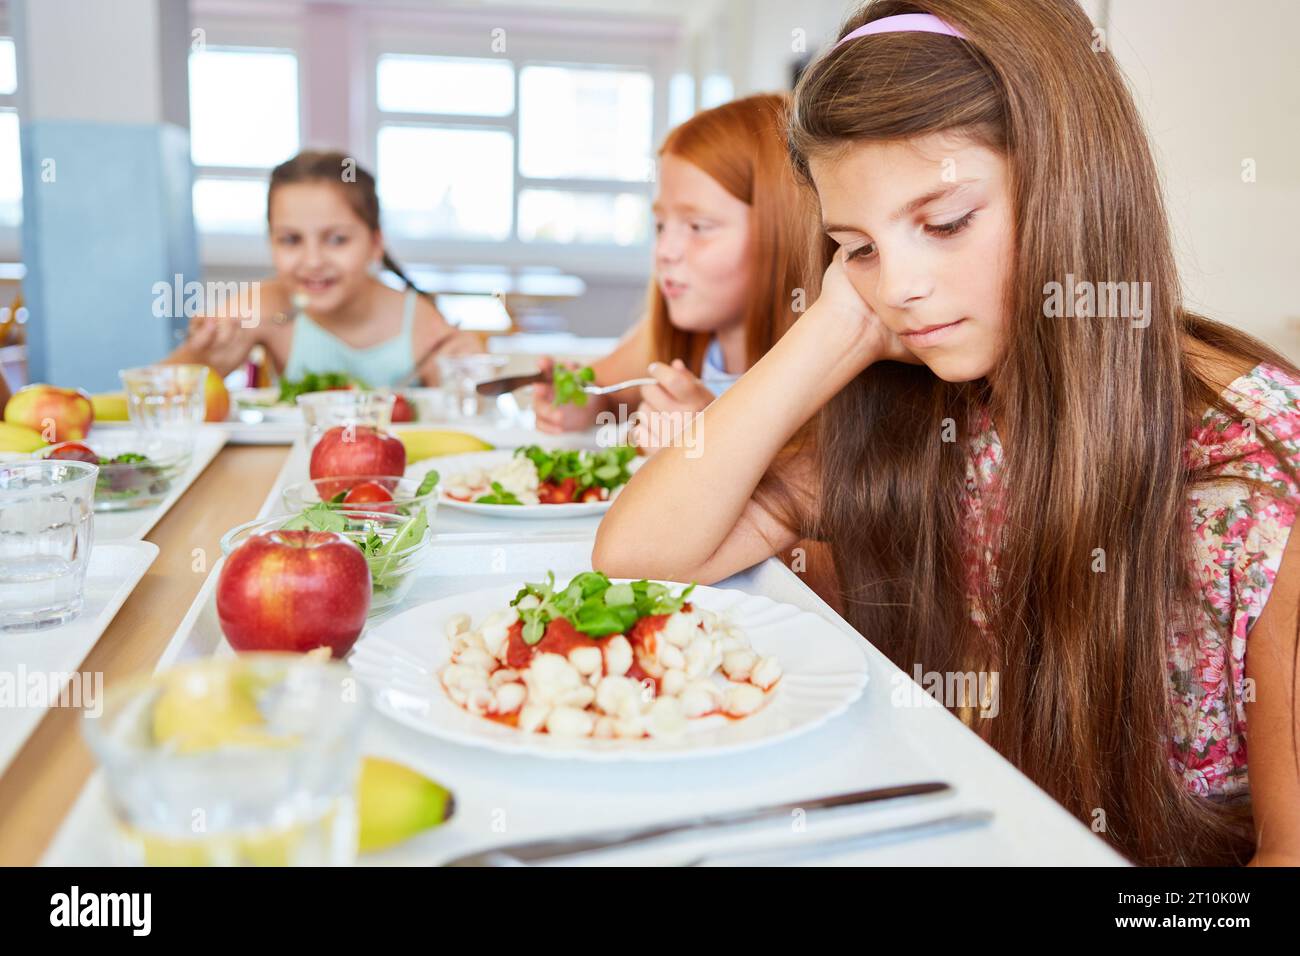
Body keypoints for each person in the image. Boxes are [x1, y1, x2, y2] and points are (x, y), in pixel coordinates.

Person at [595, 1, 1300, 866]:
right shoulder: (938, 411)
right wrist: (832, 329)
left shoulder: (1258, 474)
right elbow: (638, 562)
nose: (901, 288)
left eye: (944, 222)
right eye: (855, 245)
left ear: (1071, 182)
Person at [531, 93, 816, 445]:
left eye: (698, 227)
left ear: (783, 230)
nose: (664, 252)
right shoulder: (675, 333)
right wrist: (586, 403)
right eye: (661, 226)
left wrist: (712, 441)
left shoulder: (822, 371)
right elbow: (604, 389)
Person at [168, 150, 480, 385]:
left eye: (337, 240)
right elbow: (154, 390)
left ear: (375, 244)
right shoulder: (264, 306)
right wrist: (199, 356)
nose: (313, 261)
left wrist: (465, 371)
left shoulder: (419, 319)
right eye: (291, 240)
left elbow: (468, 408)